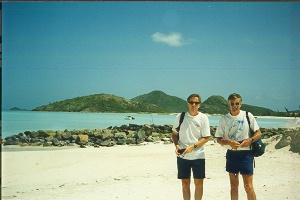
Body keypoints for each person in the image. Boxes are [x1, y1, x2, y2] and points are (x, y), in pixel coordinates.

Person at [215, 93, 262, 200]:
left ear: (240, 104)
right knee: (234, 186)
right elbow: (218, 139)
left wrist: (250, 140)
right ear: (228, 104)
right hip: (232, 155)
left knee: (248, 186)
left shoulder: (247, 115)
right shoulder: (224, 119)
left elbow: (258, 133)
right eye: (232, 103)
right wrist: (228, 142)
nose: (234, 106)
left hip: (246, 154)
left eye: (237, 103)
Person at [172, 94, 211, 200]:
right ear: (187, 103)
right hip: (182, 156)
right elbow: (174, 134)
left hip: (198, 156)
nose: (194, 105)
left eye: (196, 103)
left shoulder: (203, 118)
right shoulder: (180, 117)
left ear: (199, 105)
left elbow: (206, 137)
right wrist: (176, 146)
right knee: (185, 184)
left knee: (199, 184)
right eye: (191, 102)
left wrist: (192, 147)